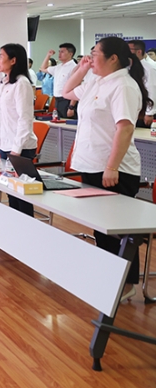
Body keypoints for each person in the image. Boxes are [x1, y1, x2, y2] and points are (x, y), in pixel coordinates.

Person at [62, 37, 152, 300]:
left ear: (113, 58)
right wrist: (82, 69)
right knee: (101, 228)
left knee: (119, 230)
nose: (90, 58)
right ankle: (108, 278)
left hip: (114, 169)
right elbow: (66, 92)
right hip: (92, 164)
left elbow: (125, 128)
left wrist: (111, 166)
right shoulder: (96, 81)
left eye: (95, 54)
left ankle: (126, 283)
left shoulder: (124, 85)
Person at [0, 43, 38, 216]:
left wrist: (16, 150)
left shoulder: (22, 83)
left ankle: (27, 228)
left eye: (1, 56)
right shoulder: (6, 83)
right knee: (11, 192)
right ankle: (15, 227)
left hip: (19, 148)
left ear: (13, 60)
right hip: (6, 144)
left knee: (22, 196)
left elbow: (25, 119)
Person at [41, 43, 77, 118]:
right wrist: (48, 55)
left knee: (66, 122)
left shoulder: (74, 67)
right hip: (57, 100)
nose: (59, 54)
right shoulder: (58, 67)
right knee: (58, 121)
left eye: (62, 52)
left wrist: (71, 107)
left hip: (67, 101)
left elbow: (76, 88)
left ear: (70, 54)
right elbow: (43, 69)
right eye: (59, 51)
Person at [128, 40, 155, 126]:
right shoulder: (128, 67)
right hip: (133, 108)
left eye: (129, 49)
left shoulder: (149, 68)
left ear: (139, 52)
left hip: (144, 111)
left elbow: (152, 89)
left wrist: (149, 113)